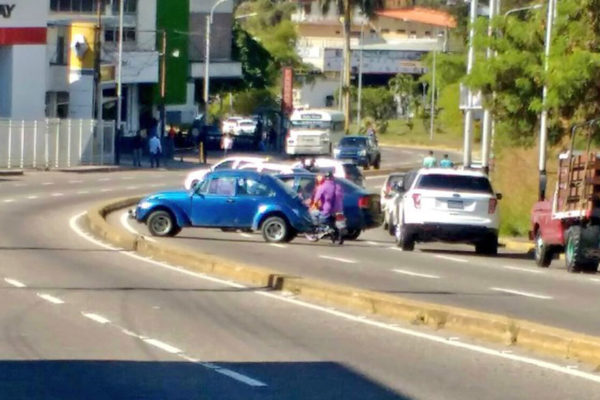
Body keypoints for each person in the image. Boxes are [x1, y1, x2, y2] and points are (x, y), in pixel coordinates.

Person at [313, 172, 344, 239]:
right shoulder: (338, 186)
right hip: (339, 208)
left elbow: (317, 198)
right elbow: (341, 196)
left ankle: (323, 230)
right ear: (332, 178)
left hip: (328, 208)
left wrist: (315, 204)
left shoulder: (323, 186)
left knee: (315, 216)